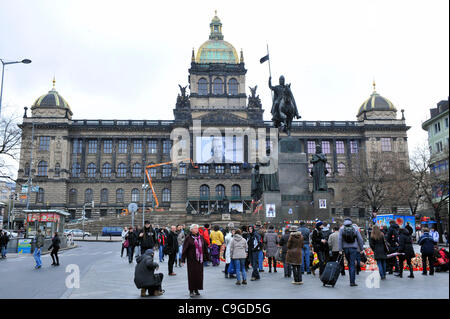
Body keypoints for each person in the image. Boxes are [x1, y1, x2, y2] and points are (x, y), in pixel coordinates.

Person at [181, 224, 210, 297]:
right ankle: (191, 290)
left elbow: (204, 247)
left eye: (197, 228)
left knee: (199, 275)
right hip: (191, 260)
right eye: (195, 228)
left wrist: (207, 257)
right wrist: (183, 259)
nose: (197, 230)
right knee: (192, 275)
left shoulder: (201, 237)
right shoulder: (188, 238)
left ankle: (197, 289)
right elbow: (184, 249)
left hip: (200, 260)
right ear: (191, 230)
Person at [338, 218, 364, 286]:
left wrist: (340, 249)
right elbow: (360, 239)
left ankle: (350, 278)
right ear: (351, 222)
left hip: (345, 248)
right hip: (353, 248)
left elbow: (340, 239)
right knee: (352, 264)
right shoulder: (355, 228)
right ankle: (352, 281)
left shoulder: (341, 229)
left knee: (349, 263)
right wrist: (361, 249)